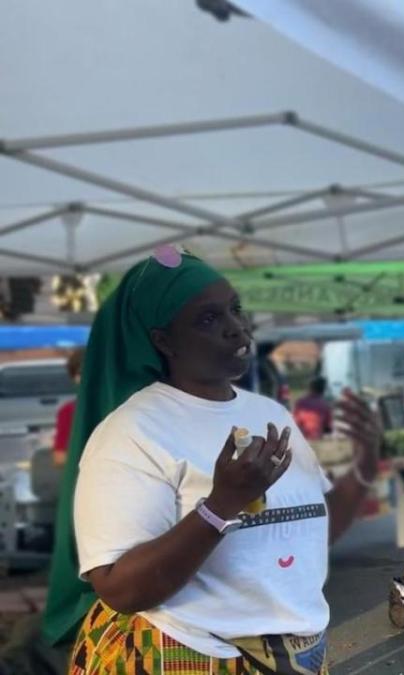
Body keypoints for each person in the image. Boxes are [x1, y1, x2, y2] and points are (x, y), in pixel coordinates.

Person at [42, 250, 382, 673]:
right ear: (162, 340)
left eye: (235, 310)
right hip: (191, 653)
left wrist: (365, 465)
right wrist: (221, 505)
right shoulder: (130, 433)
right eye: (207, 319)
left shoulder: (270, 414)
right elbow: (119, 590)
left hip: (301, 654)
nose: (235, 327)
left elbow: (314, 531)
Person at [51, 347, 85, 467]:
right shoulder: (68, 411)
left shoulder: (125, 408)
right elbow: (59, 457)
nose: (87, 378)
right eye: (81, 373)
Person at [293, 376, 333, 440]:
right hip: (317, 438)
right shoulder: (324, 405)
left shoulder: (301, 403)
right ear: (323, 390)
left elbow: (295, 423)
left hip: (301, 438)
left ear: (311, 388)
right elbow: (328, 428)